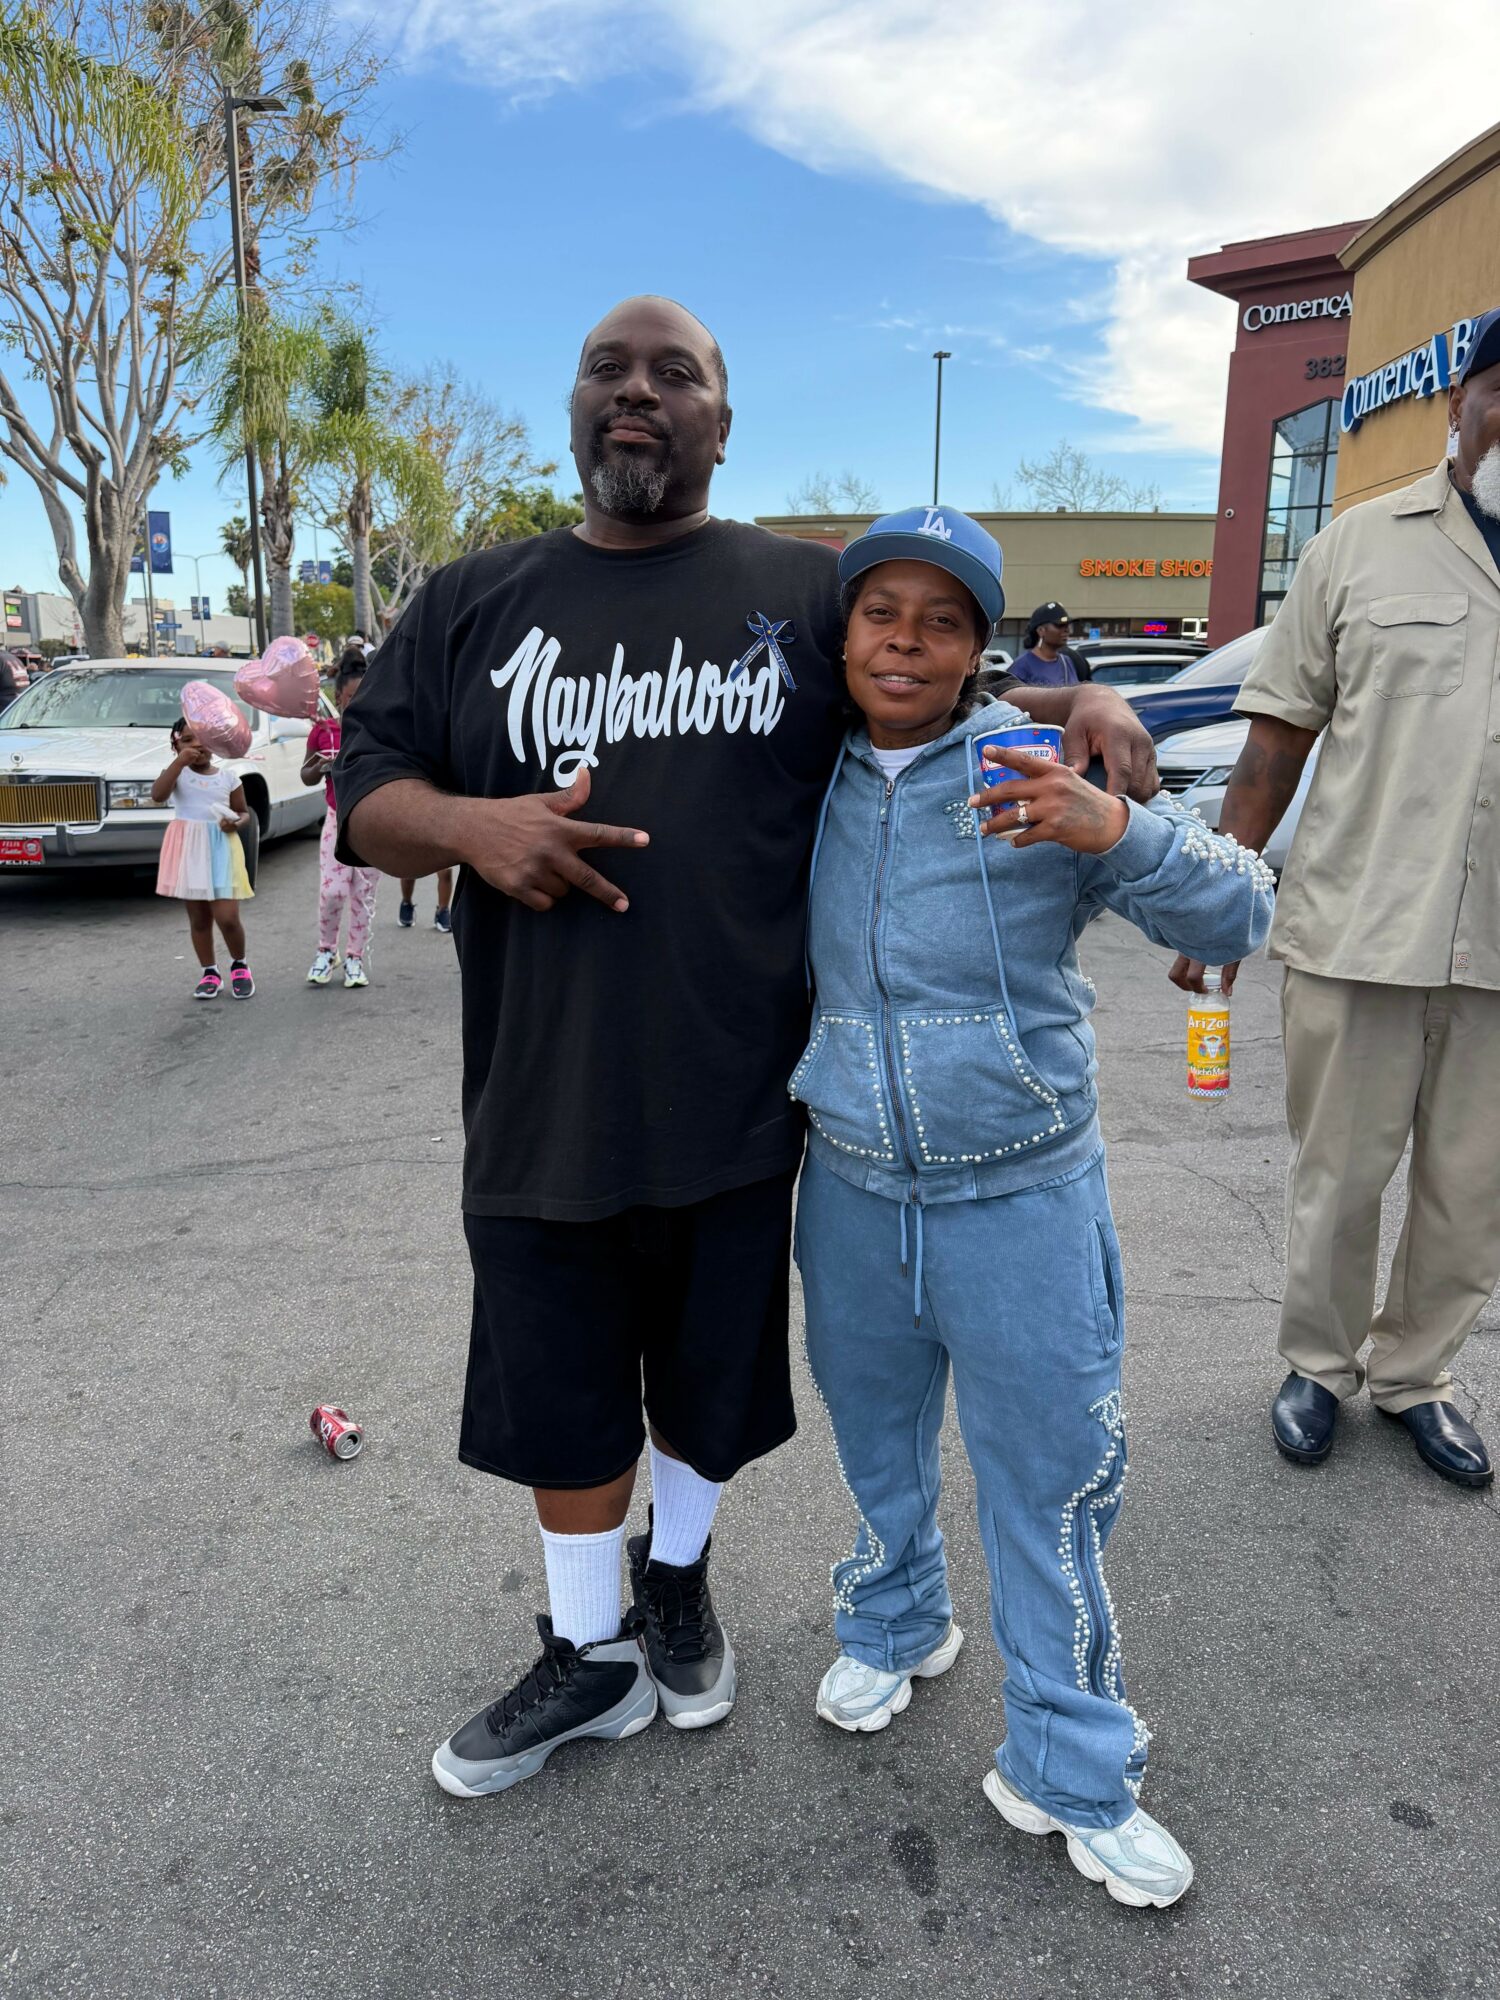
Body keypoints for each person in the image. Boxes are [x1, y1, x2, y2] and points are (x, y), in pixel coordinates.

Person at [333, 295, 1160, 1801]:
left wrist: (1081, 693)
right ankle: (589, 1659)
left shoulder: (796, 586)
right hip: (539, 1089)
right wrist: (468, 828)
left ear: (724, 419)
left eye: (676, 374)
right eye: (608, 368)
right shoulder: (471, 599)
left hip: (746, 1098)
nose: (637, 392)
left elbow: (924, 684)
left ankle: (680, 1583)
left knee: (709, 1386)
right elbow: (366, 787)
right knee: (559, 1387)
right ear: (574, 407)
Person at [793, 507, 1271, 1907]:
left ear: (979, 652)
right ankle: (896, 1620)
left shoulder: (1033, 764)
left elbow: (1237, 918)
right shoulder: (797, 774)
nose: (906, 639)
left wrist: (1115, 826)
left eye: (942, 621)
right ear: (846, 632)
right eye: (883, 611)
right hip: (853, 1191)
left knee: (1052, 1485)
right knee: (877, 1444)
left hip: (1025, 1202)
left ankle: (1067, 1762)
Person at [1171, 304, 1500, 1491]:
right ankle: (1317, 1361)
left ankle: (1417, 1375)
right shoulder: (1355, 548)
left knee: (1474, 1193)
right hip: (1360, 926)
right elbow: (1274, 743)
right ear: (1461, 400)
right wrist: (1216, 896)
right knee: (1338, 1175)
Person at [152, 718, 256, 999]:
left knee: (227, 917)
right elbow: (158, 795)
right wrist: (178, 763)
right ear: (175, 745)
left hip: (221, 848)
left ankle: (239, 965)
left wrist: (236, 822)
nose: (197, 746)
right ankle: (209, 971)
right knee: (199, 919)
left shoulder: (228, 777)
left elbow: (244, 812)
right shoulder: (177, 775)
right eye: (188, 740)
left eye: (203, 740)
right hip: (189, 851)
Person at [303, 655, 380, 990]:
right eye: (351, 699)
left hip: (372, 822)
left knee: (363, 894)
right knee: (333, 892)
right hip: (336, 820)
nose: (358, 705)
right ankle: (326, 951)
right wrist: (321, 766)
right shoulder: (323, 731)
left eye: (365, 697)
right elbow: (305, 775)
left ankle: (354, 958)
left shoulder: (380, 732)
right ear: (338, 699)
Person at [1008, 602, 1090, 685]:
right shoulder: (1021, 666)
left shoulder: (1067, 662)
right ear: (1041, 631)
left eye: (1067, 625)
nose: (1066, 630)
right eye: (1060, 625)